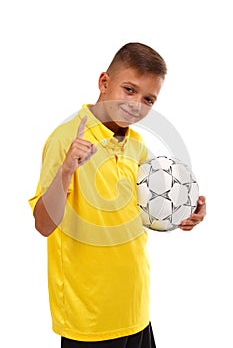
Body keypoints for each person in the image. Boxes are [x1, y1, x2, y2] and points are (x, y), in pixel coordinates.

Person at [28, 42, 206, 348]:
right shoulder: (66, 139)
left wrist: (184, 213)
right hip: (90, 319)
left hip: (136, 310)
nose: (137, 104)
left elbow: (145, 209)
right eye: (129, 89)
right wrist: (67, 170)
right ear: (104, 82)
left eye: (148, 98)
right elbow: (43, 225)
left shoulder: (136, 145)